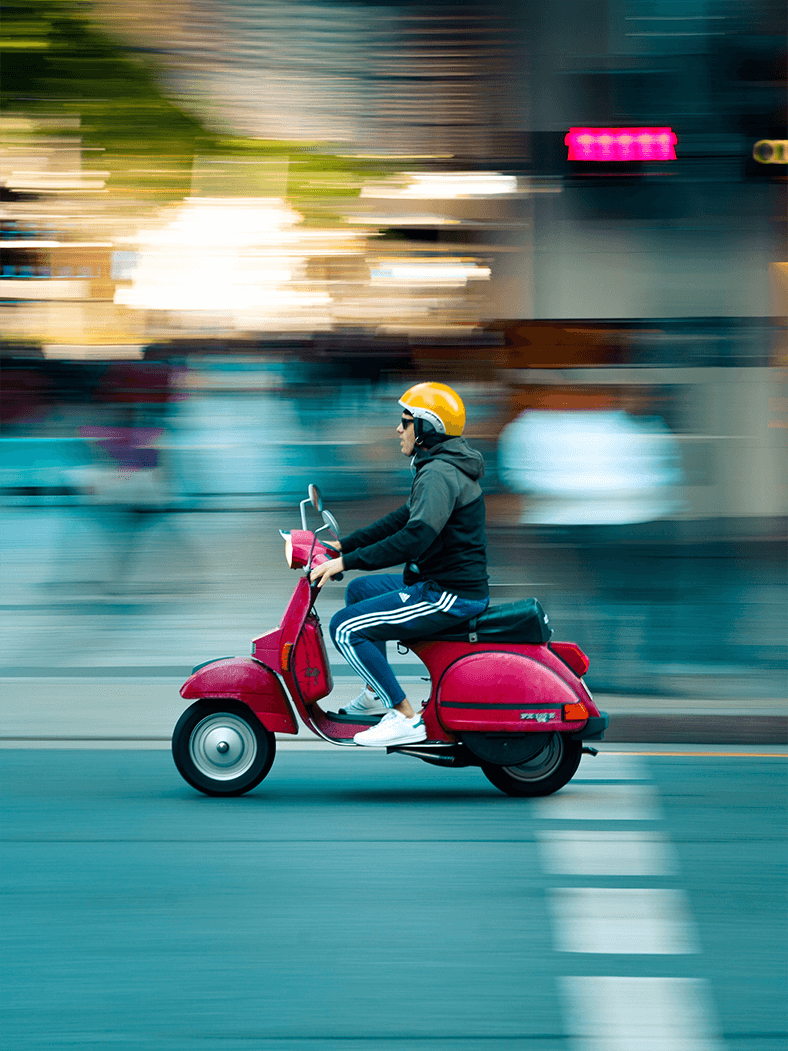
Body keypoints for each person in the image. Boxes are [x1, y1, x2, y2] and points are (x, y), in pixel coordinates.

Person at [309, 382, 489, 747]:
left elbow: (414, 538)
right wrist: (343, 545)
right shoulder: (438, 467)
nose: (398, 428)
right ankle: (376, 694)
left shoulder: (439, 473)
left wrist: (348, 560)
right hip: (440, 583)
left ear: (426, 428)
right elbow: (401, 520)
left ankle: (405, 717)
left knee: (345, 628)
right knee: (359, 592)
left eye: (406, 421)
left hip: (449, 593)